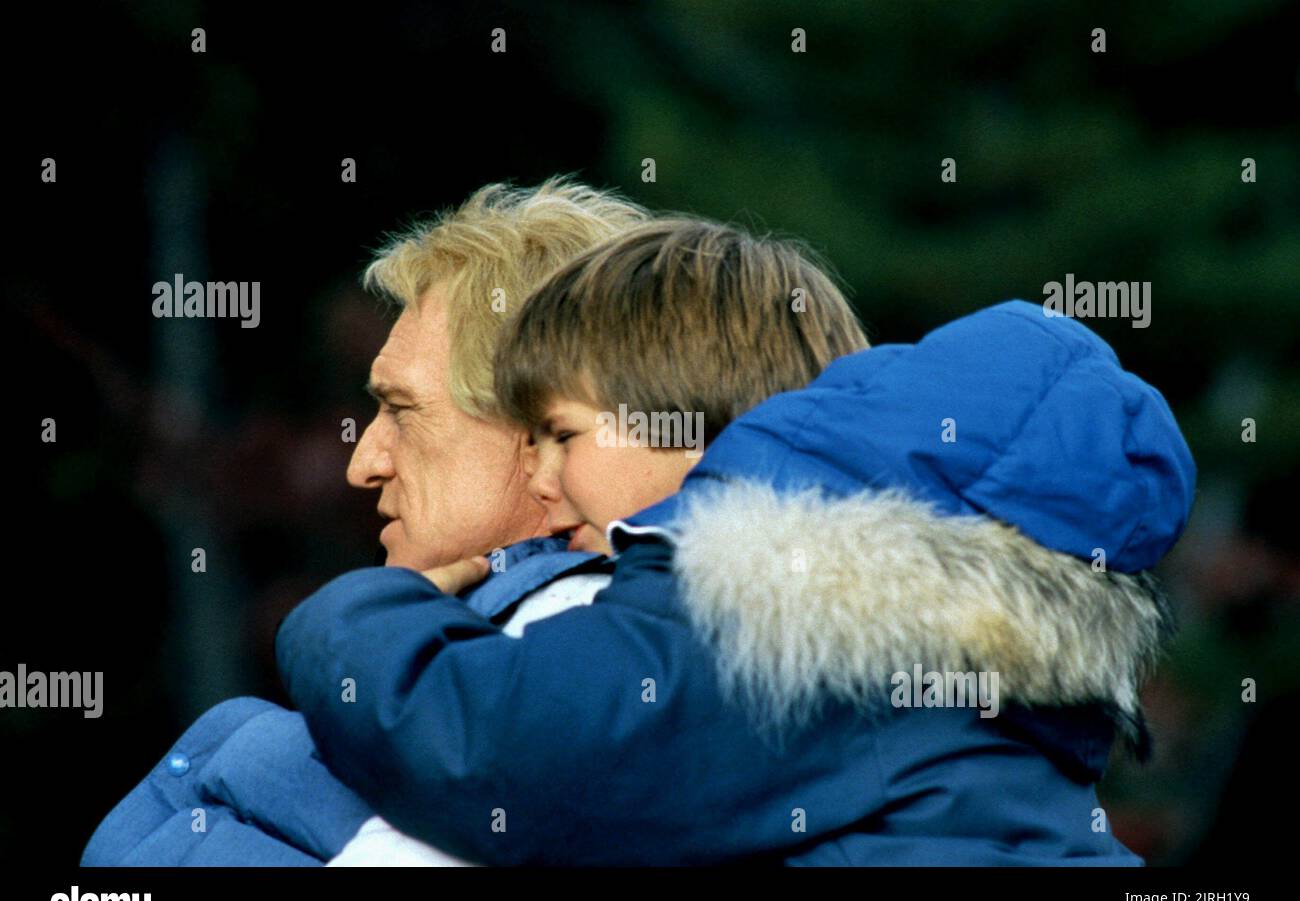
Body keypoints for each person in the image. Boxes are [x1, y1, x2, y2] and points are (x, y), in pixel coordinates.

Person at [277, 219, 1197, 865]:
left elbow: (492, 747)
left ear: (689, 430)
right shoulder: (938, 640)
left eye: (561, 434)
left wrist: (365, 610)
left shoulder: (774, 617)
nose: (543, 477)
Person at [81, 177, 651, 865]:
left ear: (545, 436)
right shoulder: (579, 664)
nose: (366, 463)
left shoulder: (563, 685)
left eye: (403, 411)